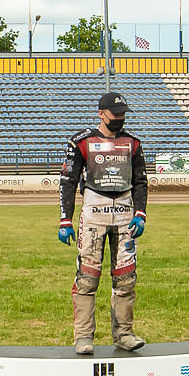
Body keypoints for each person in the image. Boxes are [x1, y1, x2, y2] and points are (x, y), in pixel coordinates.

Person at [57, 90, 148, 355]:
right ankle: (83, 337)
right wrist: (65, 220)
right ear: (101, 113)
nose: (120, 119)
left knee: (126, 277)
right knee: (87, 277)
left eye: (123, 114)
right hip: (93, 214)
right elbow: (68, 181)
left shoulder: (133, 143)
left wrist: (140, 213)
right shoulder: (80, 142)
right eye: (115, 114)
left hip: (125, 215)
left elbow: (141, 181)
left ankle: (124, 334)